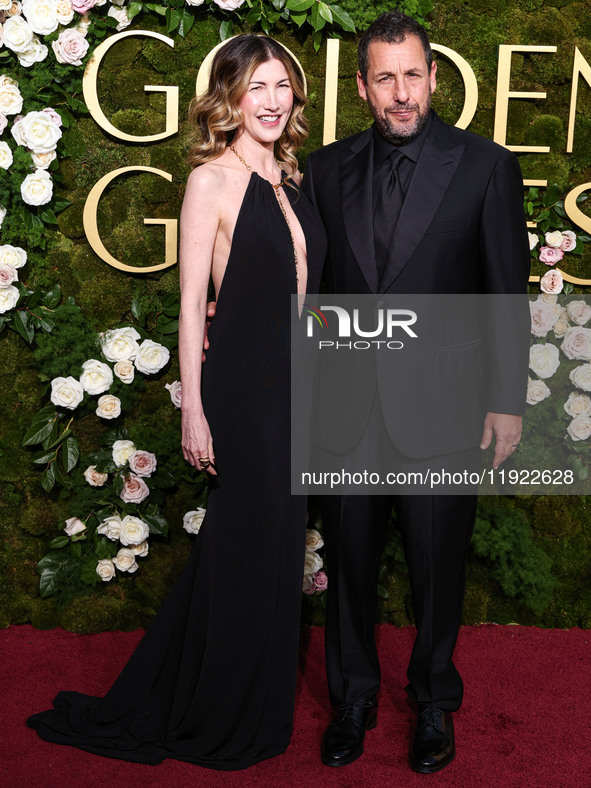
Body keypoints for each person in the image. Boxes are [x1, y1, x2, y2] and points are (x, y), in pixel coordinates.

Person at [27, 33, 326, 770]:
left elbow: (304, 294)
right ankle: (213, 711)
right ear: (226, 98)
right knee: (246, 548)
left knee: (273, 549)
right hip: (241, 391)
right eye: (254, 86)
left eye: (281, 85)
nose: (270, 99)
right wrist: (194, 409)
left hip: (297, 385)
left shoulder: (293, 177)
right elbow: (192, 307)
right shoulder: (209, 182)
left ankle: (245, 699)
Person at [301, 11, 530, 774]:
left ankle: (434, 703)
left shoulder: (485, 167)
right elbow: (309, 289)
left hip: (444, 409)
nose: (400, 93)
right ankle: (353, 700)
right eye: (384, 78)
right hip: (346, 410)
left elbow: (504, 294)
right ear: (362, 86)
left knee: (438, 565)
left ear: (434, 77)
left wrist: (506, 401)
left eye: (412, 75)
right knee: (351, 567)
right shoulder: (326, 170)